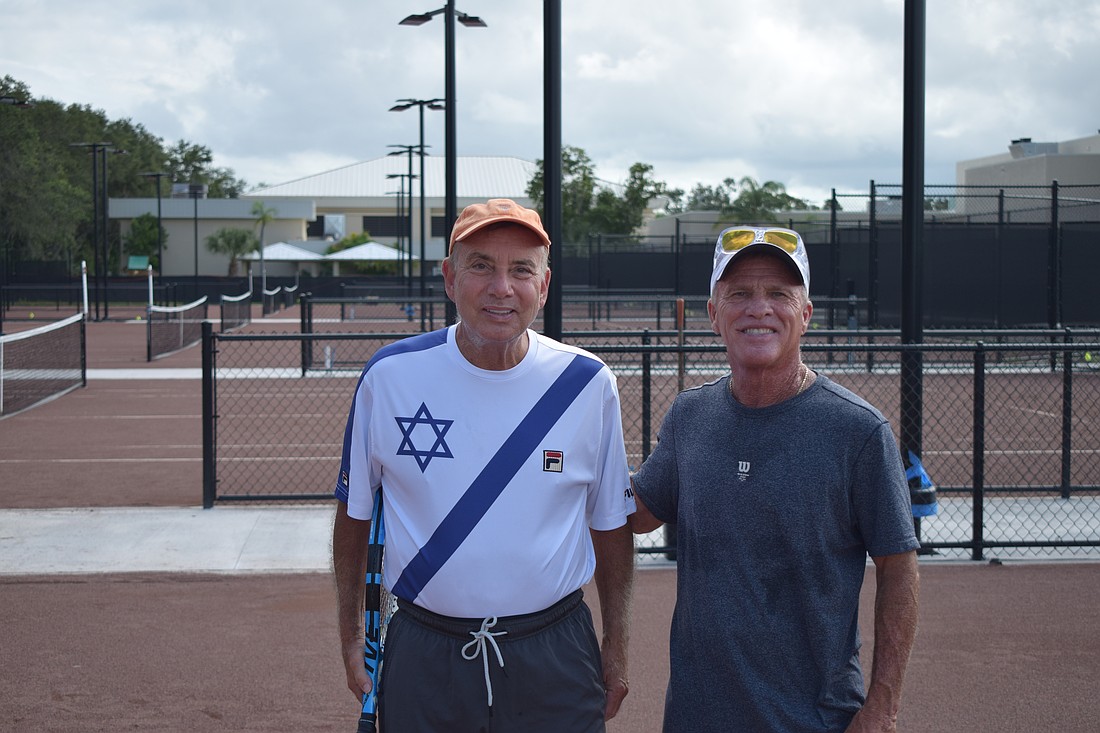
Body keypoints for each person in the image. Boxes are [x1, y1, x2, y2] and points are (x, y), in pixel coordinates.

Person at [332, 198, 636, 732]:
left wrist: (617, 645)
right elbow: (354, 515)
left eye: (521, 270)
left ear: (543, 286)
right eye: (480, 266)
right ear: (450, 279)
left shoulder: (589, 384)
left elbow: (610, 524)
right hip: (424, 653)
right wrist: (352, 635)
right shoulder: (389, 376)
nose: (502, 287)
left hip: (556, 652)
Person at [630, 225, 920, 733]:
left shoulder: (858, 430)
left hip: (815, 719)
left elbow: (899, 569)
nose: (759, 308)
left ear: (805, 315)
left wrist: (882, 708)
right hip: (697, 718)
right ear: (714, 314)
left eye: (778, 295)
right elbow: (636, 512)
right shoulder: (690, 416)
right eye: (739, 293)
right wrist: (559, 457)